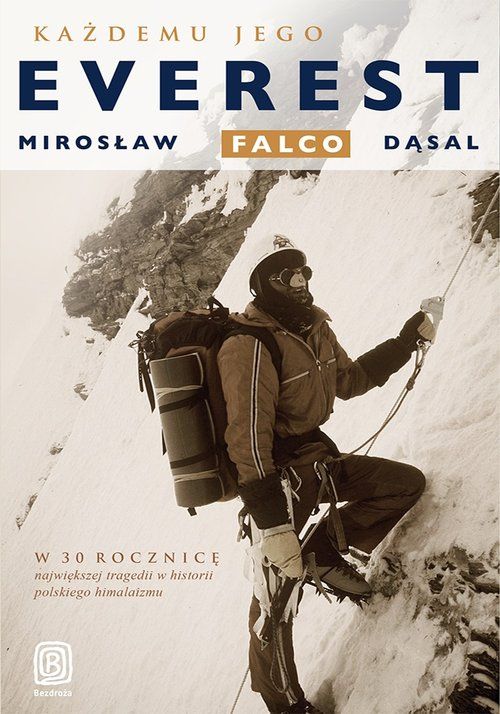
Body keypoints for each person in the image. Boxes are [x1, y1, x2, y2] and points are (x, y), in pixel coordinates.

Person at [217, 235, 432, 714]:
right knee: (274, 604)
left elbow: (350, 381)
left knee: (404, 485)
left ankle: (323, 551)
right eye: (286, 275)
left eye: (303, 272)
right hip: (278, 482)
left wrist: (404, 343)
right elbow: (247, 441)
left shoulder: (315, 327)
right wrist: (273, 526)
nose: (299, 281)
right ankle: (285, 704)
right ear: (262, 285)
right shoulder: (248, 344)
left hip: (319, 463)